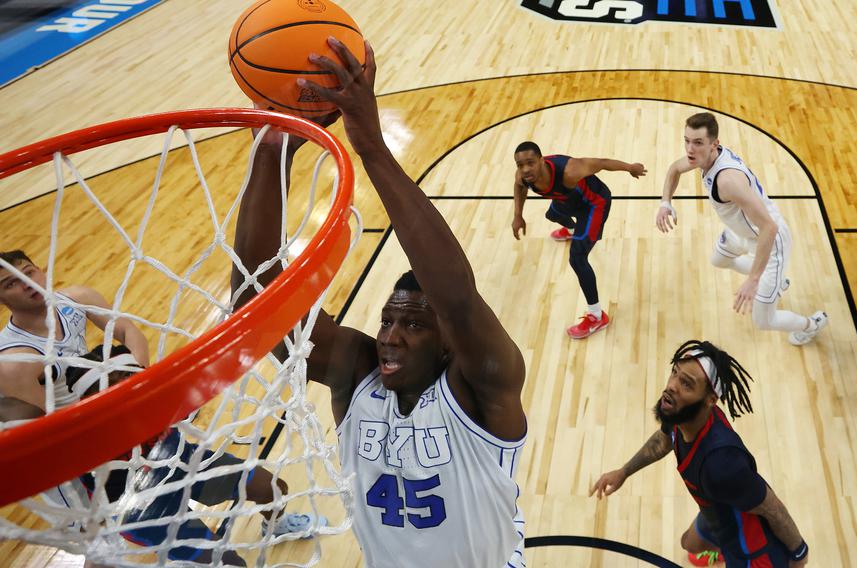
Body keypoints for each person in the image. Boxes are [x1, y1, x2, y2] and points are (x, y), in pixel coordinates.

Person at [232, 38, 527, 568]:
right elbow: (258, 301)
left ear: (447, 346)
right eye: (388, 319)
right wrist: (270, 152)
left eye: (413, 324)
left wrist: (369, 147)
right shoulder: (358, 373)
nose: (390, 334)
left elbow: (457, 298)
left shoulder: (484, 386)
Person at [0, 344, 324, 567]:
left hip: (184, 462)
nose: (126, 389)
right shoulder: (79, 437)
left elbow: (129, 333)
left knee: (270, 485)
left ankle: (278, 524)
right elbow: (19, 409)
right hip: (143, 508)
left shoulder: (156, 397)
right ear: (90, 400)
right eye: (113, 386)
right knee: (230, 562)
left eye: (130, 380)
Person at [589, 340, 809, 567]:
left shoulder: (721, 464)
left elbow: (773, 509)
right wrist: (624, 472)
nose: (671, 386)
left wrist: (799, 554)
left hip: (750, 552)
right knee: (689, 544)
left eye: (686, 384)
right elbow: (663, 441)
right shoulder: (682, 416)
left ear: (710, 400)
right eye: (674, 372)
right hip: (717, 512)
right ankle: (719, 550)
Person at [656, 113, 827, 346]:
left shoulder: (727, 181)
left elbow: (770, 226)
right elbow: (674, 169)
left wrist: (753, 280)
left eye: (697, 143)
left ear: (714, 144)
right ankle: (776, 282)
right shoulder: (702, 158)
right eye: (686, 140)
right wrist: (666, 203)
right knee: (718, 260)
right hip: (741, 233)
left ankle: (811, 325)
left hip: (770, 241)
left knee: (764, 320)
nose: (689, 149)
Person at [512, 142, 646, 338]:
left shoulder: (570, 170)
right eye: (520, 165)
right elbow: (519, 186)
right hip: (567, 201)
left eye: (530, 163)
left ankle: (596, 316)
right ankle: (574, 229)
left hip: (594, 204)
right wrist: (518, 215)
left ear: (541, 161)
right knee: (552, 215)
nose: (525, 169)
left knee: (577, 258)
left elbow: (602, 163)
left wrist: (630, 168)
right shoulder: (523, 176)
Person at [0, 250, 150, 409]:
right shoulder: (14, 362)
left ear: (40, 270)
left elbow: (128, 331)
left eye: (28, 273)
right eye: (11, 283)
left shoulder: (78, 298)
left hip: (107, 402)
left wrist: (137, 382)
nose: (27, 284)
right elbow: (46, 427)